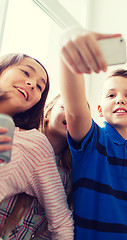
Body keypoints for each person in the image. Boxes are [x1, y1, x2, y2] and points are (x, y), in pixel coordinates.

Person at [59, 27, 127, 239]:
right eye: (111, 95)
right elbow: (75, 110)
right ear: (99, 110)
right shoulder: (93, 140)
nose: (119, 99)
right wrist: (69, 49)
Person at [0, 53, 73, 239]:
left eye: (40, 86)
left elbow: (61, 220)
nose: (32, 84)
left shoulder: (33, 145)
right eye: (25, 72)